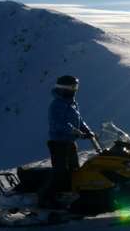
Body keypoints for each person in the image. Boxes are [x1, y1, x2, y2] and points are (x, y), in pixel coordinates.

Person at [38, 75, 95, 208]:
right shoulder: (57, 104)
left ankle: (70, 197)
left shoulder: (72, 103)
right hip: (59, 143)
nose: (75, 89)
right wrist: (73, 130)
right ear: (64, 88)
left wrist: (88, 131)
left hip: (70, 142)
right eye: (73, 87)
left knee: (75, 171)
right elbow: (57, 123)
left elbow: (79, 120)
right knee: (60, 172)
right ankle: (45, 198)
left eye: (76, 87)